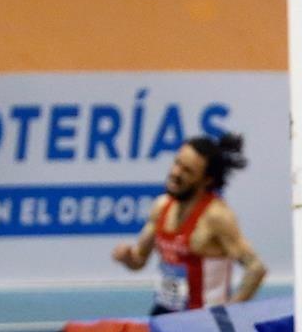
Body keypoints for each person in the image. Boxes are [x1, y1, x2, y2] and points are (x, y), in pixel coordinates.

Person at [111, 133, 267, 314]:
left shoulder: (217, 216)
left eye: (187, 171)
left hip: (202, 322)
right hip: (165, 314)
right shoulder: (161, 207)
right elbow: (138, 261)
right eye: (177, 163)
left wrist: (231, 311)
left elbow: (256, 268)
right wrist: (126, 256)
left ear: (206, 180)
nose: (176, 173)